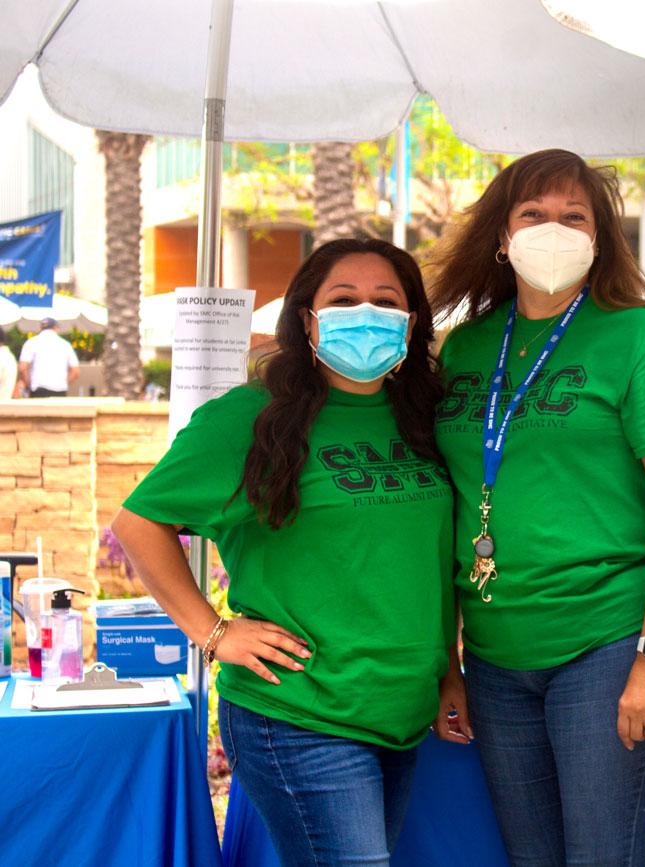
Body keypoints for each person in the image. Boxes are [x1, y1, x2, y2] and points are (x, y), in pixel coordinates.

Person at [111, 239, 454, 867]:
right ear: (307, 317)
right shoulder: (250, 418)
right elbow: (138, 522)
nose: (366, 313)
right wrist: (213, 631)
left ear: (410, 321)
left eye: (386, 301)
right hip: (298, 710)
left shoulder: (424, 419)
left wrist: (449, 674)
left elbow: (425, 568)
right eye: (343, 299)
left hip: (401, 709)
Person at [426, 148, 645, 866]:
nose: (552, 229)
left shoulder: (638, 335)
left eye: (573, 217)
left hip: (608, 643)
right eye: (532, 214)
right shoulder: (465, 346)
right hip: (494, 654)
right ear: (501, 235)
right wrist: (449, 663)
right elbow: (448, 509)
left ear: (598, 238)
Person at [18, 317, 79, 396]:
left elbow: (22, 367)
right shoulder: (66, 345)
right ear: (55, 328)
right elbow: (76, 371)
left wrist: (28, 384)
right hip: (60, 390)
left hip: (38, 390)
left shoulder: (31, 343)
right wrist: (65, 383)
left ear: (41, 328)